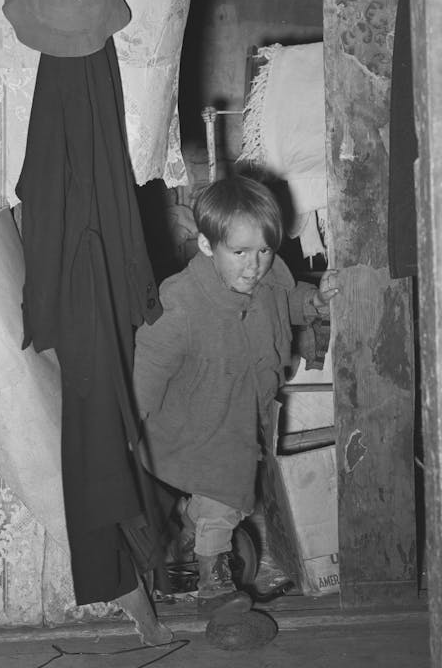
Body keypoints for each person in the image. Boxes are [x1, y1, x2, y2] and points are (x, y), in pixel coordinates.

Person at [133, 174, 339, 612]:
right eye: (240, 252)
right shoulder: (181, 303)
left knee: (228, 494)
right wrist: (131, 422)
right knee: (223, 497)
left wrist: (314, 304)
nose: (255, 265)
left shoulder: (264, 282)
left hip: (243, 414)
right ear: (208, 246)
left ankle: (189, 527)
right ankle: (214, 577)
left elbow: (286, 298)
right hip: (196, 425)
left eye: (265, 250)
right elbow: (148, 366)